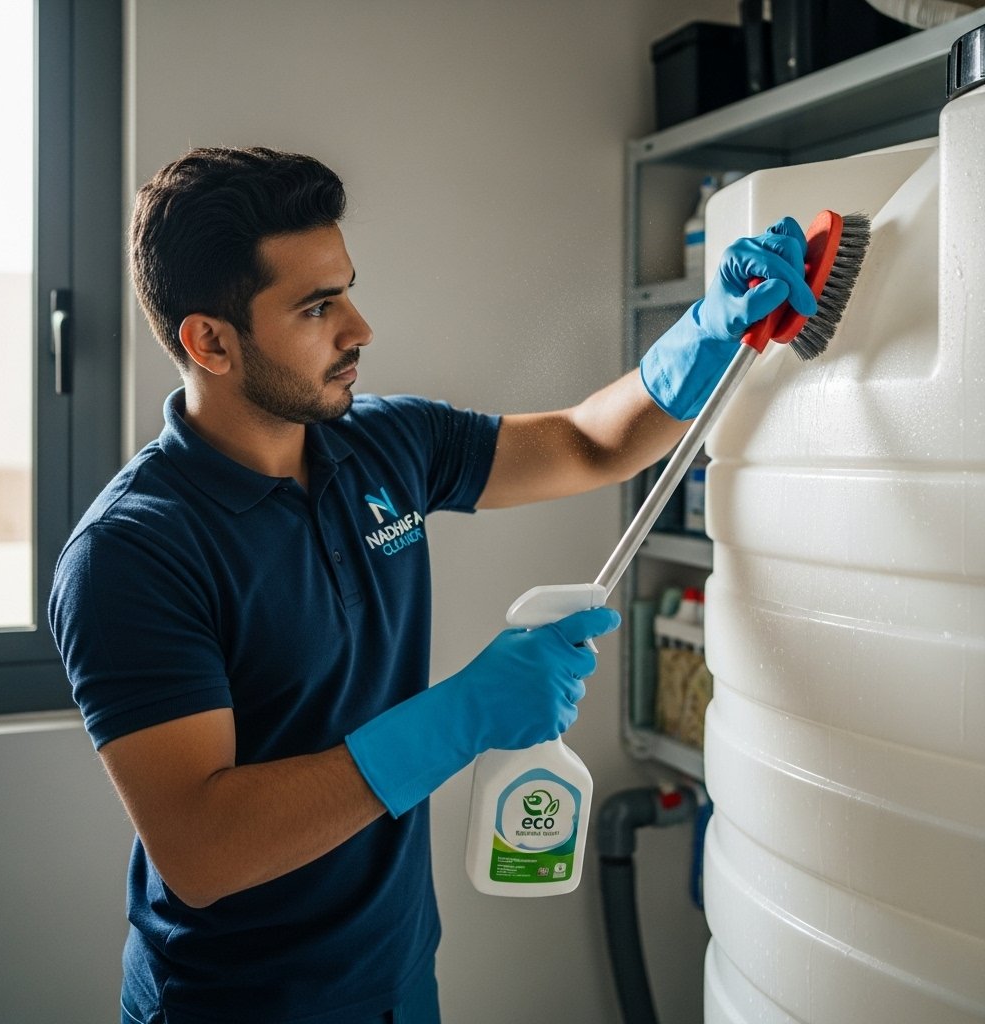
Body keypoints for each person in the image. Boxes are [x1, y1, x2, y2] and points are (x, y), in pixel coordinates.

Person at [48, 146, 815, 1024]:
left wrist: (709, 329)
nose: (359, 328)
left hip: (399, 976)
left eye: (347, 289)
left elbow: (585, 444)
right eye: (317, 307)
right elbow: (205, 849)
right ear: (209, 340)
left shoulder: (384, 446)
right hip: (240, 1003)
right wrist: (467, 713)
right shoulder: (132, 554)